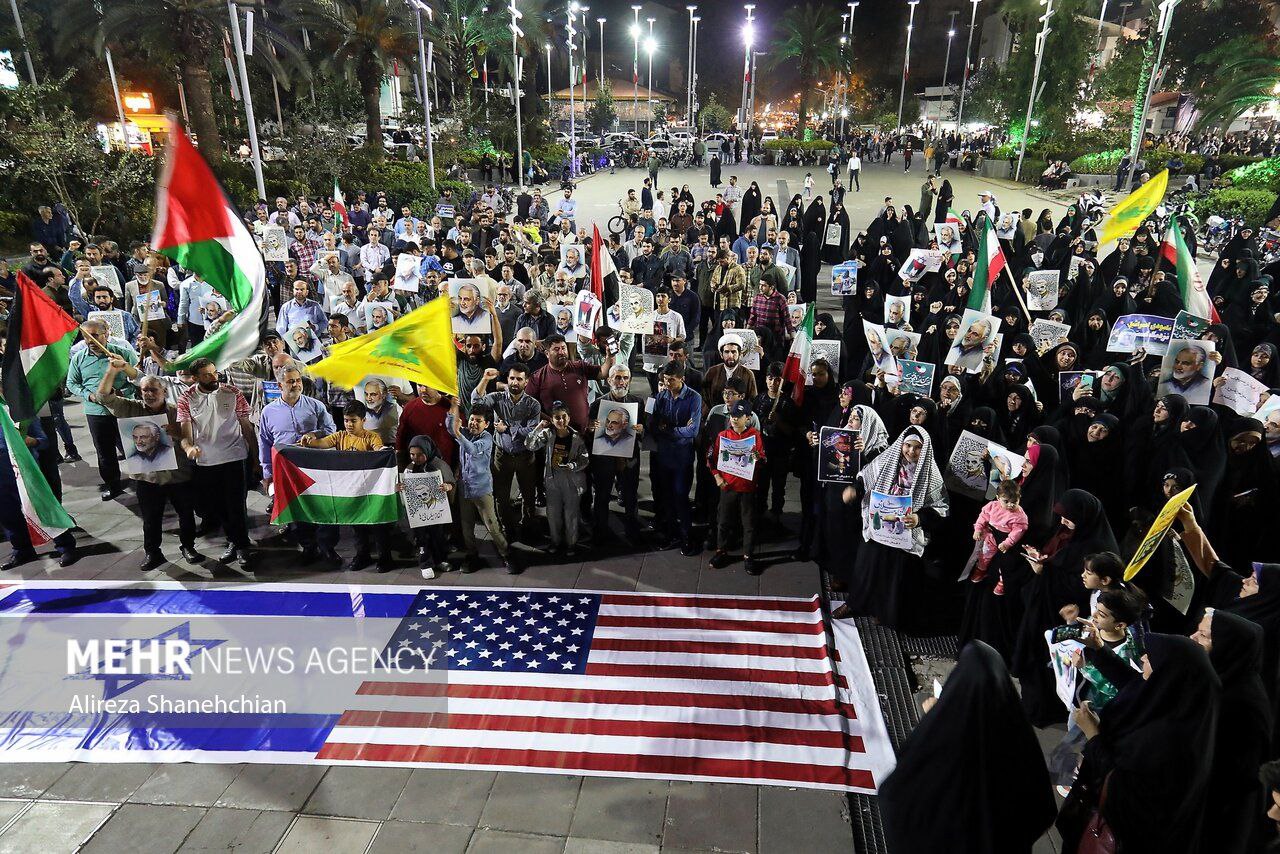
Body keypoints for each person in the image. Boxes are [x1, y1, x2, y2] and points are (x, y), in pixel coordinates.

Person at [879, 641, 1056, 854]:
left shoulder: (940, 746)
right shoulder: (1020, 746)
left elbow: (897, 796)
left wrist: (937, 719)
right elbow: (1041, 811)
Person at [1056, 634, 1221, 854]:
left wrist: (1093, 735)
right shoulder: (1171, 701)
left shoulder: (1167, 738)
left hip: (1122, 834)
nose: (1143, 657)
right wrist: (1099, 648)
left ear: (1167, 673)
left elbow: (1123, 786)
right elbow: (1130, 682)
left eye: (1150, 657)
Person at [298, 400, 395, 573]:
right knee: (357, 526)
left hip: (371, 492)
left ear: (363, 420)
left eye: (353, 421)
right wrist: (309, 440)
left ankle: (384, 558)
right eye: (346, 420)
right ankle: (362, 556)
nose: (349, 424)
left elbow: (379, 450)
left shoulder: (371, 437)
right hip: (353, 491)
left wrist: (383, 452)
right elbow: (321, 444)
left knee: (379, 526)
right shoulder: (339, 436)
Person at [178, 358, 256, 567]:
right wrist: (188, 448)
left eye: (214, 373)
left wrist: (255, 457)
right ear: (194, 378)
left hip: (234, 456)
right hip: (206, 461)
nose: (214, 377)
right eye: (207, 375)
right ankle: (233, 540)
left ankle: (242, 547)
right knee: (217, 505)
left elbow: (246, 426)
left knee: (236, 504)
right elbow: (185, 434)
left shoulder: (233, 393)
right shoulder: (186, 398)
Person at [258, 366, 339, 563]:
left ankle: (328, 548)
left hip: (316, 468)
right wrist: (267, 473)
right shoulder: (268, 412)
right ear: (279, 385)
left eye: (298, 380)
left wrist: (315, 434)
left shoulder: (316, 406)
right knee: (297, 510)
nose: (295, 384)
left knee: (325, 508)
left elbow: (332, 430)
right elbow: (265, 443)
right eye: (290, 381)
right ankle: (308, 547)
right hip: (287, 471)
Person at [66, 320, 136, 501]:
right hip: (96, 412)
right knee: (104, 452)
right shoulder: (79, 358)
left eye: (95, 335)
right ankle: (113, 485)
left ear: (107, 334)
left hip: (124, 409)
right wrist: (88, 395)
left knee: (135, 447)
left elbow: (138, 378)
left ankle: (144, 483)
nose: (90, 340)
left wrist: (123, 392)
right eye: (86, 337)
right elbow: (72, 383)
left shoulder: (123, 353)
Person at [471, 364, 542, 542]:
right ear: (507, 380)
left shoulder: (533, 405)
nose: (515, 382)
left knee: (528, 494)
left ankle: (528, 527)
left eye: (519, 379)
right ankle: (507, 528)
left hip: (526, 455)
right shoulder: (497, 398)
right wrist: (485, 379)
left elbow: (532, 431)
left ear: (526, 382)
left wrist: (508, 428)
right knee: (501, 496)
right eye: (512, 378)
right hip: (502, 455)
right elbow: (476, 403)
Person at [448, 399, 517, 574]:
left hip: (482, 490)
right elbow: (451, 426)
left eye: (478, 421)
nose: (473, 423)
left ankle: (506, 553)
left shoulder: (486, 439)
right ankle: (472, 555)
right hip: (465, 489)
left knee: (491, 525)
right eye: (472, 419)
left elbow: (471, 449)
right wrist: (455, 406)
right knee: (466, 526)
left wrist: (458, 434)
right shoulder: (463, 432)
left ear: (486, 424)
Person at [650, 360, 703, 552]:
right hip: (664, 456)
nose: (667, 384)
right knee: (667, 497)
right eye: (665, 380)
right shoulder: (661, 396)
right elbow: (654, 426)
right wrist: (678, 430)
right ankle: (671, 533)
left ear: (682, 379)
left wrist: (669, 430)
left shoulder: (694, 398)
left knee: (681, 496)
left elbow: (693, 431)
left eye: (671, 380)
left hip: (683, 457)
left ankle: (686, 535)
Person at [708, 399, 766, 574]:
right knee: (723, 521)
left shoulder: (755, 435)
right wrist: (717, 476)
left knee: (748, 524)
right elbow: (711, 458)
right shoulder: (723, 436)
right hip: (727, 487)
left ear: (748, 418)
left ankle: (748, 556)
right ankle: (721, 551)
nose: (734, 419)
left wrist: (758, 458)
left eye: (739, 416)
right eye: (733, 415)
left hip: (747, 488)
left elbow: (763, 460)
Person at [527, 401, 589, 556]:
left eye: (563, 417)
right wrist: (538, 428)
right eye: (557, 418)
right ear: (552, 420)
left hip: (572, 480)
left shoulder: (577, 437)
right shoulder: (548, 435)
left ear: (568, 417)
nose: (561, 420)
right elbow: (530, 445)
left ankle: (571, 544)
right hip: (552, 479)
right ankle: (555, 542)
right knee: (553, 514)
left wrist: (573, 466)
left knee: (571, 514)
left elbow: (585, 459)